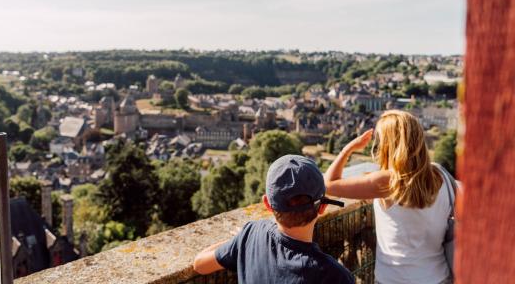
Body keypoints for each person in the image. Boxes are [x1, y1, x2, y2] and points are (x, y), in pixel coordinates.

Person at [324, 110, 455, 284]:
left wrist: (348, 149)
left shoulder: (388, 181)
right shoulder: (441, 174)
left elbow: (328, 184)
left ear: (388, 144)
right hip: (439, 277)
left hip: (395, 279)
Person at [192, 154, 355, 284]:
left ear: (267, 205)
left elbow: (199, 264)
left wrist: (240, 239)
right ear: (322, 207)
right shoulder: (334, 276)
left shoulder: (251, 233)